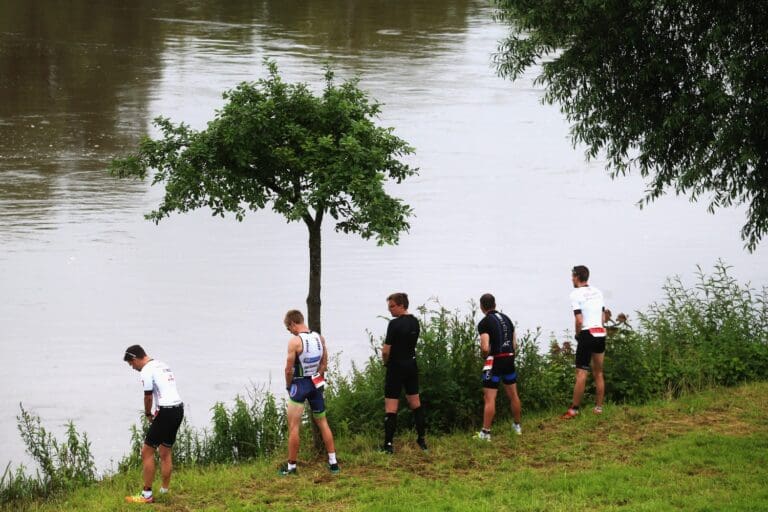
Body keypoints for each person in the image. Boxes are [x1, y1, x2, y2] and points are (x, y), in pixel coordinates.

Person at [280, 309, 339, 475]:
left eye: (288, 328)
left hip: (299, 385)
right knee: (323, 422)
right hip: (315, 384)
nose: (289, 331)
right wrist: (319, 377)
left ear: (293, 323)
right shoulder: (319, 338)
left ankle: (291, 467)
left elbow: (288, 369)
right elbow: (324, 363)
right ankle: (333, 462)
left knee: (293, 427)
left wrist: (288, 386)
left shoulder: (295, 342)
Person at [123, 345, 184, 504]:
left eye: (131, 364)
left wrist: (148, 413)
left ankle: (146, 495)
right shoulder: (163, 365)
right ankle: (164, 490)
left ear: (135, 358)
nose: (132, 367)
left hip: (165, 412)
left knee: (146, 452)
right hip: (178, 409)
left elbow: (148, 396)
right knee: (165, 451)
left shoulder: (146, 370)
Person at [381, 292, 427, 453]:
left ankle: (388, 445)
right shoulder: (415, 322)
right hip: (411, 365)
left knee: (391, 406)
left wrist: (385, 362)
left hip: (396, 367)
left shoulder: (394, 324)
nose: (390, 310)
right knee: (415, 402)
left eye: (392, 306)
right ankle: (422, 439)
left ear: (402, 305)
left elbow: (386, 350)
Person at [561, 265, 607, 419]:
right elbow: (602, 317)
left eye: (572, 276)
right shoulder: (598, 292)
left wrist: (577, 335)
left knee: (581, 373)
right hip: (600, 332)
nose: (571, 279)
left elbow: (579, 320)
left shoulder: (575, 294)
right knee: (599, 373)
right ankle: (599, 408)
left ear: (577, 276)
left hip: (587, 333)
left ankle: (574, 410)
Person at [475, 293, 522, 441]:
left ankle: (486, 433)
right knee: (513, 395)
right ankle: (517, 426)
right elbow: (514, 344)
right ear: (495, 304)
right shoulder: (507, 319)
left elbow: (484, 347)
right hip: (509, 358)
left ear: (482, 306)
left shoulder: (484, 323)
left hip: (494, 361)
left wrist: (484, 356)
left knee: (489, 398)